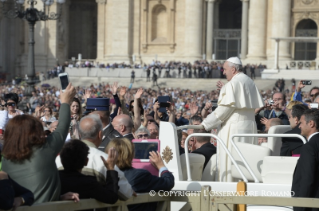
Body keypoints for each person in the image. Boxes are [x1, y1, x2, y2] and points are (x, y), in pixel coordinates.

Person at [1, 83, 76, 203]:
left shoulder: (6, 157)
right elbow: (62, 126)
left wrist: (58, 196)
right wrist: (66, 102)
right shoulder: (45, 147)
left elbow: (28, 192)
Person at [200, 57, 264, 182]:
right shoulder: (249, 81)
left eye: (225, 69)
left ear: (233, 69)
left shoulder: (233, 84)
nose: (223, 72)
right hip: (249, 128)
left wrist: (205, 124)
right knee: (246, 163)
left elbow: (222, 112)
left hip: (234, 129)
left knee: (232, 163)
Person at [56, 114, 133, 200]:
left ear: (80, 134)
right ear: (100, 134)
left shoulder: (58, 159)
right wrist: (111, 169)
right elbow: (126, 193)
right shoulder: (105, 160)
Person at [106, 138, 174, 211]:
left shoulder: (104, 175)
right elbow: (168, 182)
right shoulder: (140, 175)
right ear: (131, 154)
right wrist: (161, 166)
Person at [59, 139, 119, 204]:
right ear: (86, 161)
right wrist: (110, 168)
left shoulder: (54, 179)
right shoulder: (88, 183)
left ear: (61, 161)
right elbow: (111, 197)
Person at [291, 109, 319, 211]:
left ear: (311, 123)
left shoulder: (309, 147)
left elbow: (307, 179)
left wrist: (300, 207)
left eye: (301, 123)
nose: (299, 126)